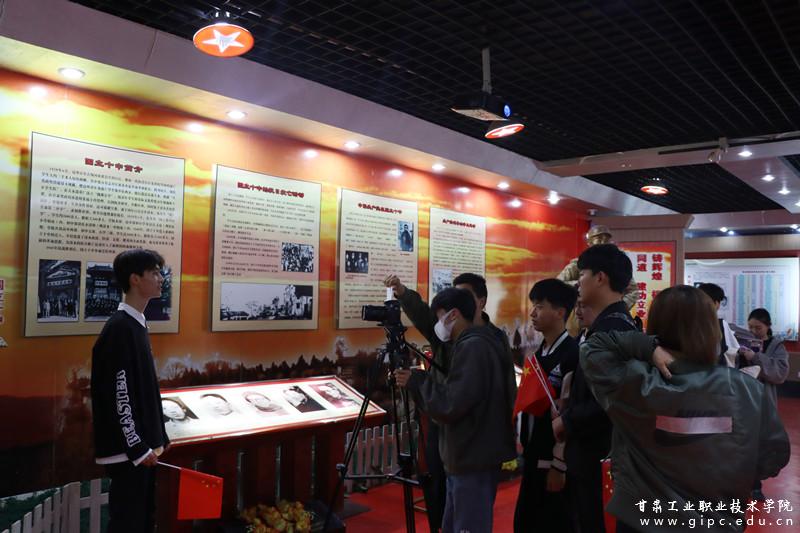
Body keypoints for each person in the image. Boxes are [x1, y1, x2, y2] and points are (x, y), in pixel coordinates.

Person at [580, 285, 790, 532]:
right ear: (712, 330)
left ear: (656, 328)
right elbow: (774, 455)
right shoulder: (748, 390)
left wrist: (648, 346)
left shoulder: (634, 382)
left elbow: (594, 347)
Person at [384, 272, 514, 531]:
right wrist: (403, 294)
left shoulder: (475, 346)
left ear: (455, 314)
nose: (438, 324)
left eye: (441, 316)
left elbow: (452, 402)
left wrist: (417, 382)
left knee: (468, 523)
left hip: (472, 451)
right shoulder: (471, 341)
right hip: (464, 449)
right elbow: (424, 316)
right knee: (454, 519)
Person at [553, 243, 637, 533]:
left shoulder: (613, 330)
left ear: (600, 278)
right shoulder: (610, 325)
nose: (579, 282)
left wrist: (567, 420)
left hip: (600, 453)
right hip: (594, 452)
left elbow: (611, 400)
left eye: (583, 274)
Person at [90, 249, 169, 533]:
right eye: (154, 273)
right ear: (135, 279)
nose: (161, 279)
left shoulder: (136, 323)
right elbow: (119, 394)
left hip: (140, 451)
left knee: (144, 520)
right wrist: (137, 447)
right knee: (128, 523)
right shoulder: (120, 328)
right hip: (129, 455)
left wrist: (157, 438)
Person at [514, 279, 578, 533]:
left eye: (540, 306)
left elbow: (570, 413)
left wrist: (559, 465)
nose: (532, 313)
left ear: (560, 312)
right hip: (532, 457)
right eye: (533, 306)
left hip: (552, 461)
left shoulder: (572, 354)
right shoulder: (538, 354)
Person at [739, 307, 789, 502]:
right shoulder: (742, 341)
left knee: (760, 445)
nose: (753, 331)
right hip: (743, 399)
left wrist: (756, 357)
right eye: (750, 327)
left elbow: (780, 373)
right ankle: (738, 483)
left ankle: (756, 486)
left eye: (758, 328)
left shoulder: (777, 347)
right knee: (741, 443)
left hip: (763, 402)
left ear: (768, 326)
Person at [557, 225, 638, 309]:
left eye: (606, 240)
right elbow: (558, 284)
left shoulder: (616, 264)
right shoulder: (579, 264)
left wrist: (618, 307)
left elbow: (633, 291)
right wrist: (580, 284)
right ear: (590, 243)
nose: (602, 243)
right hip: (585, 311)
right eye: (599, 239)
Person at [696, 283, 740, 367]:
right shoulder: (720, 324)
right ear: (716, 303)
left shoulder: (687, 322)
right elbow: (732, 351)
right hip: (715, 371)